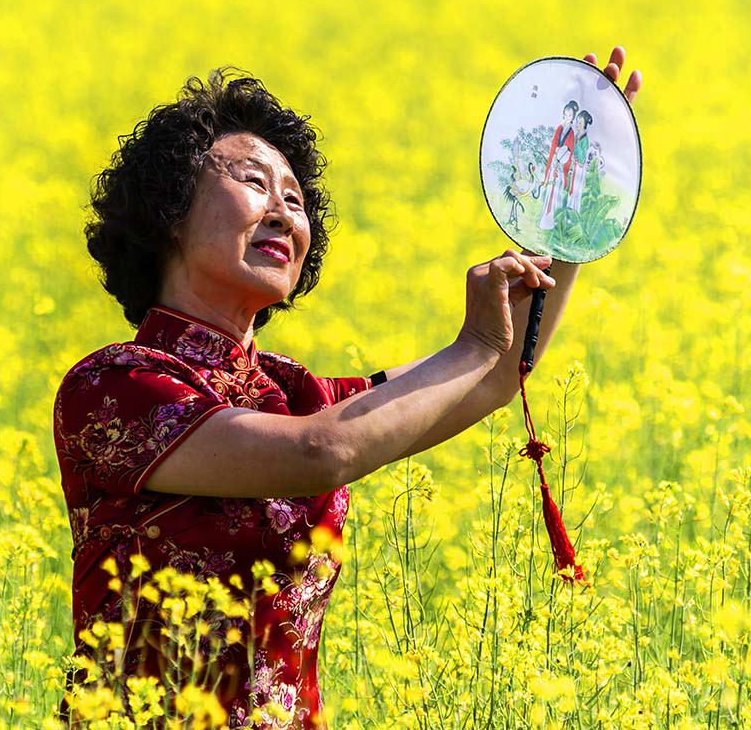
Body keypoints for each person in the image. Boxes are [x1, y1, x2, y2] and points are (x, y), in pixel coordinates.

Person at [53, 49, 641, 728]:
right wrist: (472, 344)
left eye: (296, 201)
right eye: (254, 182)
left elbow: (495, 378)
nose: (284, 212)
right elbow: (319, 453)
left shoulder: (295, 394)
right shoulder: (116, 386)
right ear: (169, 211)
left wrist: (570, 220)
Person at [538, 100, 578, 231]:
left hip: (561, 167)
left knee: (557, 192)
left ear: (573, 117)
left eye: (570, 116)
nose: (567, 118)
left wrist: (563, 159)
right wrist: (551, 164)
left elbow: (570, 151)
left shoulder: (571, 133)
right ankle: (545, 218)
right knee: (550, 190)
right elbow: (553, 147)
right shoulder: (560, 129)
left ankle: (554, 220)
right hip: (555, 161)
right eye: (565, 115)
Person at [566, 110, 593, 213]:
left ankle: (574, 210)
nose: (577, 124)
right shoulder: (576, 135)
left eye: (580, 123)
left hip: (580, 169)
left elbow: (582, 158)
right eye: (577, 122)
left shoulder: (585, 140)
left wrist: (577, 148)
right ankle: (568, 208)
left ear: (585, 124)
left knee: (576, 189)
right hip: (574, 165)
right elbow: (572, 149)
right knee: (571, 188)